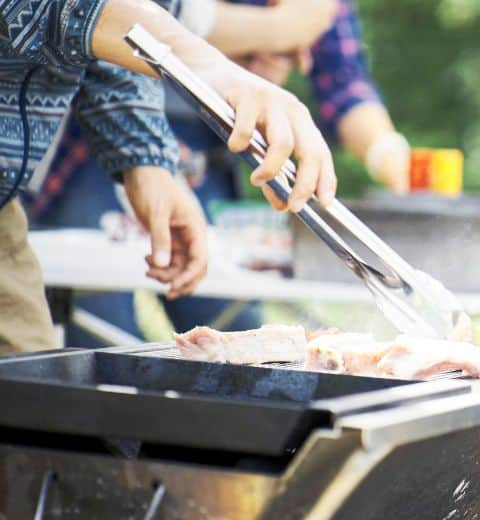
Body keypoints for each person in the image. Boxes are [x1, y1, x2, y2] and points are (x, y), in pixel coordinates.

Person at [25, 0, 407, 347]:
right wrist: (277, 30)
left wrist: (387, 151)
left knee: (234, 337)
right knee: (98, 333)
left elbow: (344, 81)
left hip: (205, 165)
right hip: (99, 154)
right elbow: (132, 14)